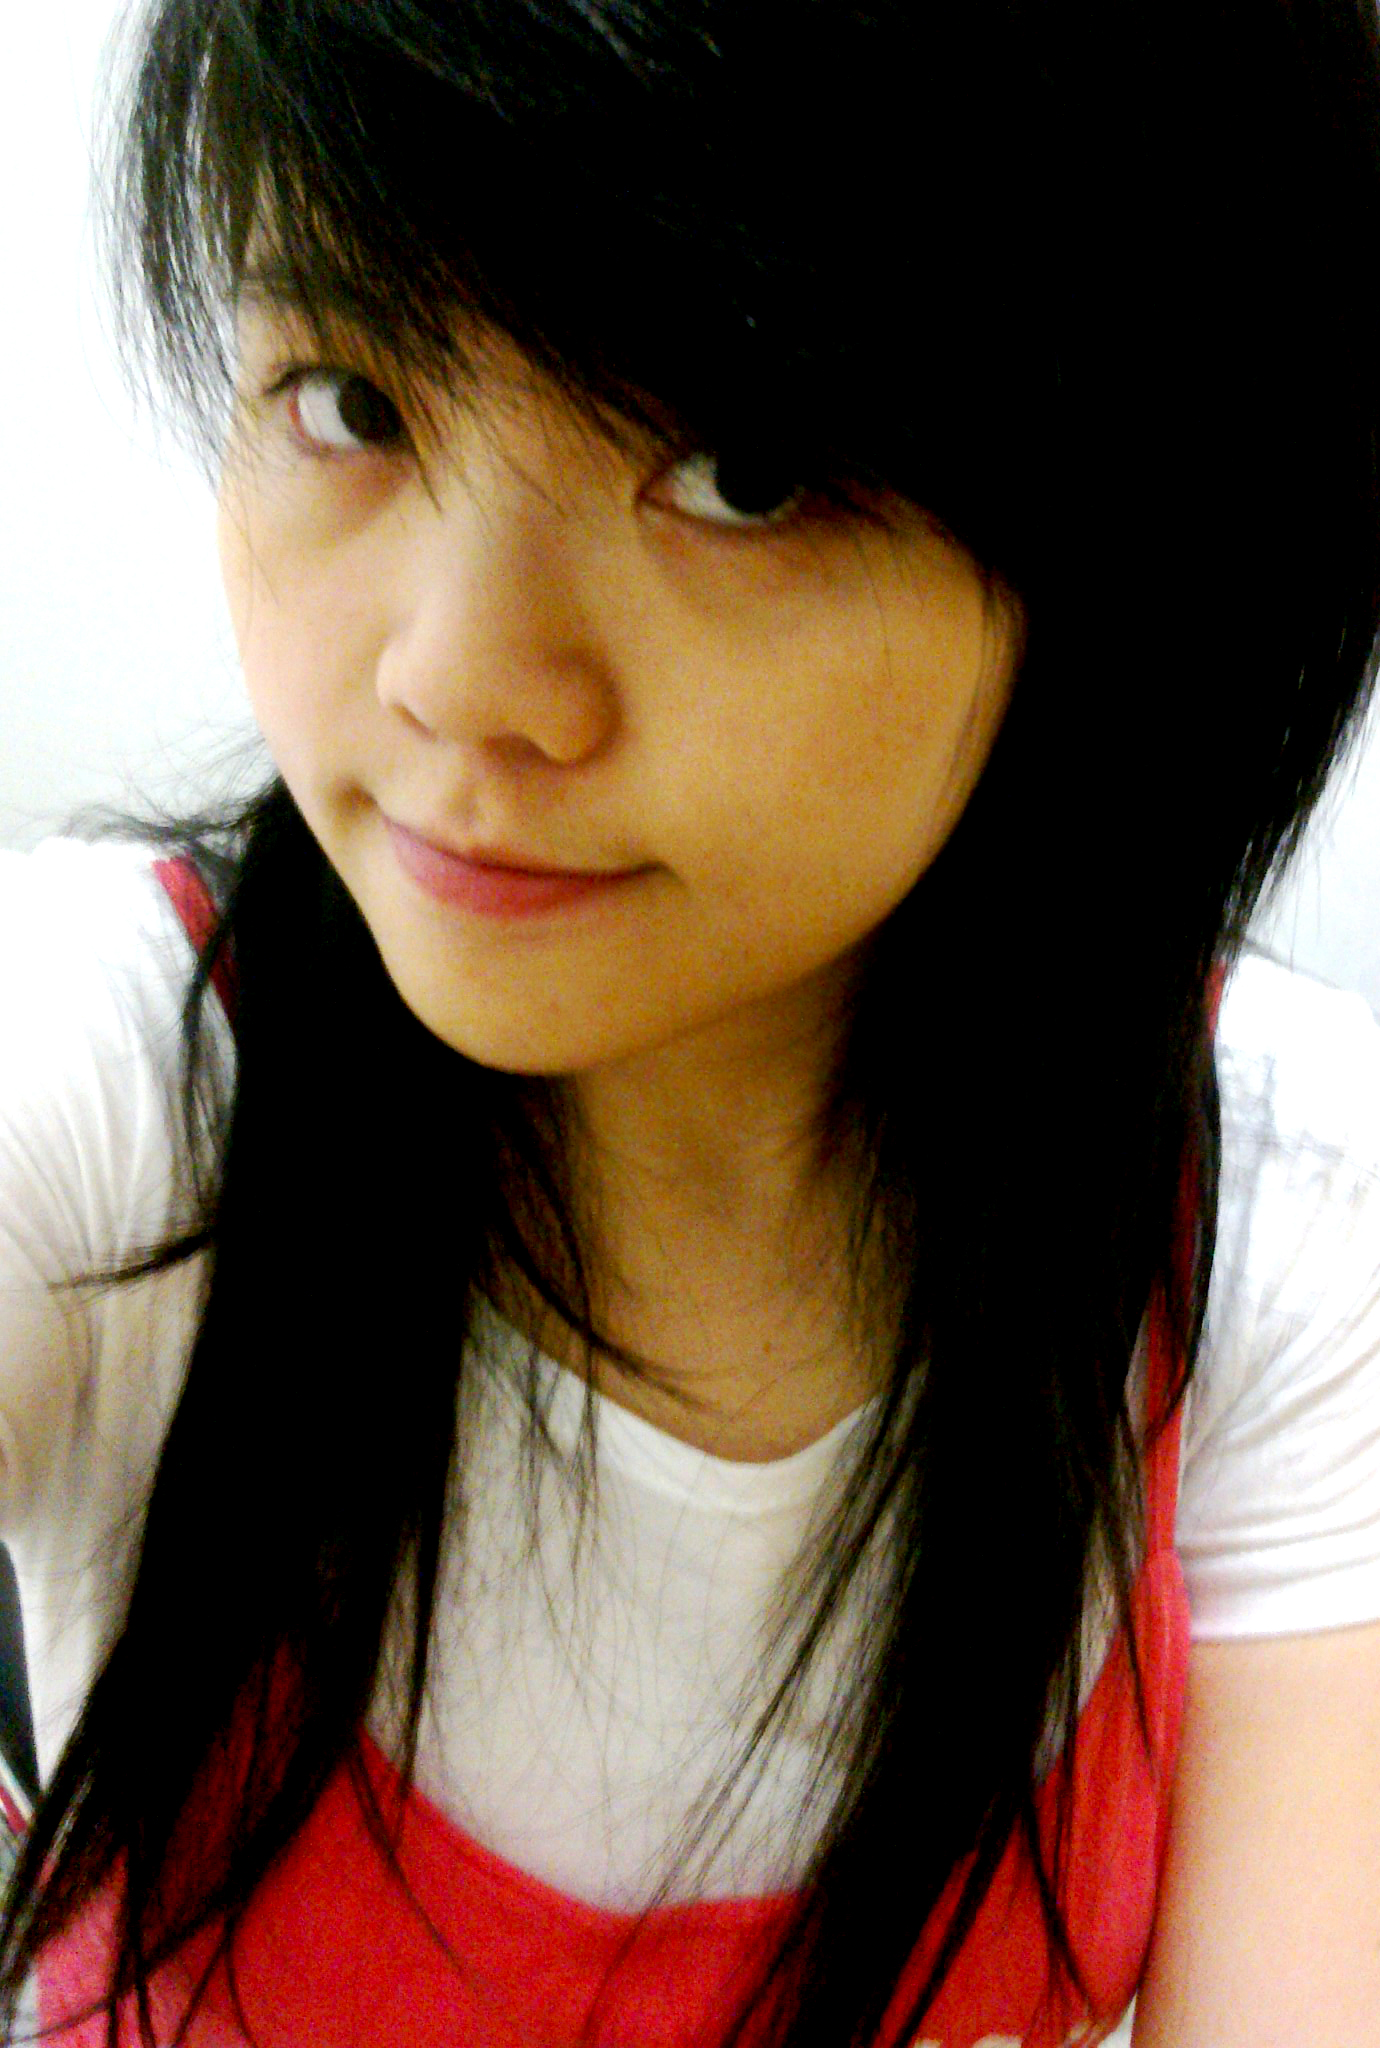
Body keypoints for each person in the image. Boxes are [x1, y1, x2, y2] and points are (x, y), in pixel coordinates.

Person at [3, 0, 1380, 2042]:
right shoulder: (120, 1087)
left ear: (1127, 540)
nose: (460, 680)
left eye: (741, 471)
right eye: (354, 400)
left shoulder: (1270, 1211)